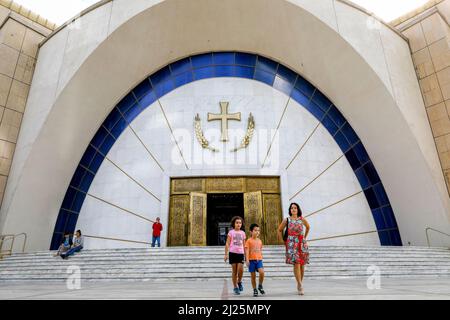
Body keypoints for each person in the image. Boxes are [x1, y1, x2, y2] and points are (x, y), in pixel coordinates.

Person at [277, 203, 310, 295]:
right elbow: (279, 230)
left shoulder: (302, 219)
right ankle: (300, 285)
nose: (293, 209)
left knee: (302, 264)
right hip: (291, 243)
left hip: (301, 243)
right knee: (296, 263)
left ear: (298, 209)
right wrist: (283, 241)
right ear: (290, 210)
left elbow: (308, 227)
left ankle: (299, 283)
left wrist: (304, 238)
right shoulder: (287, 220)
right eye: (292, 208)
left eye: (295, 208)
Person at [224, 216, 246, 295]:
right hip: (232, 253)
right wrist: (226, 254)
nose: (238, 224)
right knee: (234, 271)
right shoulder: (231, 232)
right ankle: (235, 287)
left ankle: (239, 281)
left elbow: (244, 245)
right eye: (237, 223)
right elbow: (227, 243)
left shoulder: (243, 233)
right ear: (234, 223)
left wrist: (246, 256)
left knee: (241, 269)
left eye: (240, 223)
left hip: (241, 253)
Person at [245, 223, 265, 297]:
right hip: (251, 260)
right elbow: (247, 251)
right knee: (253, 276)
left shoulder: (260, 241)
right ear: (251, 232)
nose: (257, 232)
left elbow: (260, 250)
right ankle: (255, 289)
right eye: (255, 230)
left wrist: (261, 257)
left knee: (262, 272)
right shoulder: (248, 241)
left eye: (258, 230)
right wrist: (247, 260)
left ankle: (260, 285)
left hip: (259, 260)